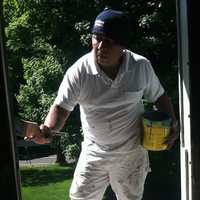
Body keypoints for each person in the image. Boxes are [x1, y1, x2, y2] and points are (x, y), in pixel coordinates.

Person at [25, 9, 179, 200]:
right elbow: (61, 109)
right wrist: (47, 129)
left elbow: (160, 97)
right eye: (97, 38)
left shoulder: (140, 66)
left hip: (131, 154)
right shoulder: (79, 72)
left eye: (109, 41)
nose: (101, 46)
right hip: (94, 152)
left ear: (123, 44)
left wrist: (173, 122)